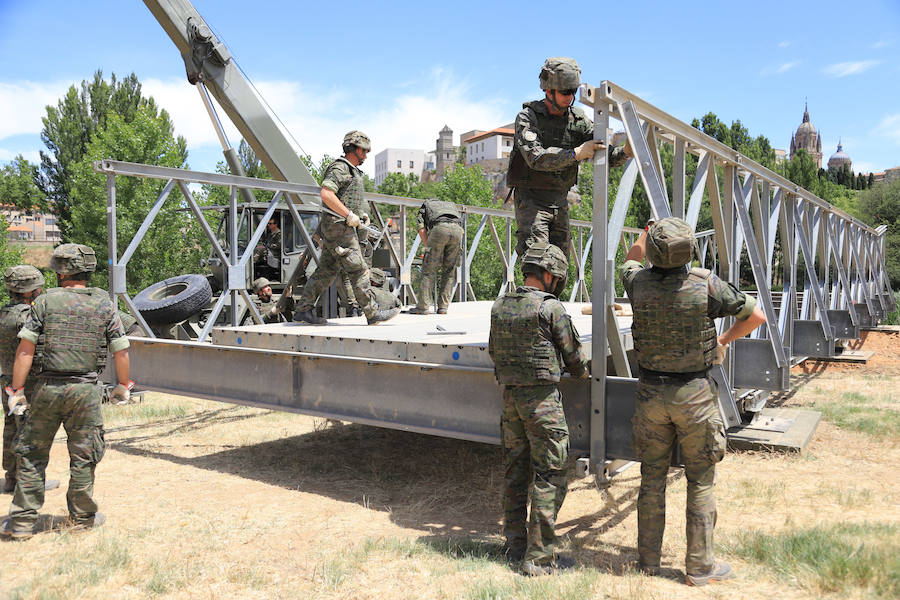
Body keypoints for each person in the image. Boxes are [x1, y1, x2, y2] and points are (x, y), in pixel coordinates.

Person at [620, 218, 766, 586]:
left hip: (651, 394)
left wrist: (646, 232)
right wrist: (722, 342)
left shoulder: (637, 283)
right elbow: (755, 316)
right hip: (695, 396)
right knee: (700, 481)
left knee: (651, 480)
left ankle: (648, 562)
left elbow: (631, 258)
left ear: (655, 251)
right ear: (690, 251)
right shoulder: (706, 285)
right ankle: (700, 568)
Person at [0, 244, 131, 540]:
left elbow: (25, 350)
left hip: (46, 389)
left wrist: (17, 390)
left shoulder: (44, 302)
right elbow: (121, 349)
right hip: (86, 391)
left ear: (60, 272)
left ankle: (22, 522)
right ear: (89, 270)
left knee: (31, 454)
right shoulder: (103, 303)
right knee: (85, 455)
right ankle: (82, 518)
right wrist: (123, 386)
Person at [488, 242, 588, 576]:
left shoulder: (500, 305)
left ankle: (515, 546)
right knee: (550, 474)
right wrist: (580, 372)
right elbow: (575, 359)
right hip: (542, 403)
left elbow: (493, 351)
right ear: (550, 275)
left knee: (515, 473)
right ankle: (540, 558)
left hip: (510, 401)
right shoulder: (550, 308)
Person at [507, 57, 631, 260]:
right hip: (532, 200)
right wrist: (576, 154)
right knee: (536, 263)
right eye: (565, 92)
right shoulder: (528, 117)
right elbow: (535, 157)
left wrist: (625, 151)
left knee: (560, 265)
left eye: (573, 91)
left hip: (560, 201)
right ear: (548, 90)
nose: (570, 97)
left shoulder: (578, 120)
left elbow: (605, 154)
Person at [293, 131, 398, 326]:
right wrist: (348, 215)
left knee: (326, 271)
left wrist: (359, 214)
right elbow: (327, 194)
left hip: (339, 227)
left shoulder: (351, 170)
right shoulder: (340, 167)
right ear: (354, 149)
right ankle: (372, 313)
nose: (365, 155)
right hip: (340, 228)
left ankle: (303, 310)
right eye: (363, 151)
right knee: (358, 269)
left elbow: (344, 198)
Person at [0, 266, 59, 495]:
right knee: (30, 430)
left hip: (7, 379)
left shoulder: (4, 313)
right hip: (27, 382)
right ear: (29, 291)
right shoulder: (28, 316)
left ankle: (12, 478)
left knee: (12, 427)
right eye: (38, 288)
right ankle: (30, 482)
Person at [409, 199, 463, 315]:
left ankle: (423, 307)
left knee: (428, 270)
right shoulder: (450, 205)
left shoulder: (425, 205)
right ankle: (443, 307)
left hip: (439, 229)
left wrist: (428, 247)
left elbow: (422, 229)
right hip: (458, 231)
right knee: (449, 271)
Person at [253, 216, 282, 281]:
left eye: (270, 223)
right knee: (257, 248)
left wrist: (268, 246)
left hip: (274, 253)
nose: (268, 225)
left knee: (260, 250)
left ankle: (252, 262)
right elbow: (265, 242)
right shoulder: (269, 234)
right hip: (268, 251)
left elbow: (279, 245)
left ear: (275, 225)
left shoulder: (278, 234)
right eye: (268, 223)